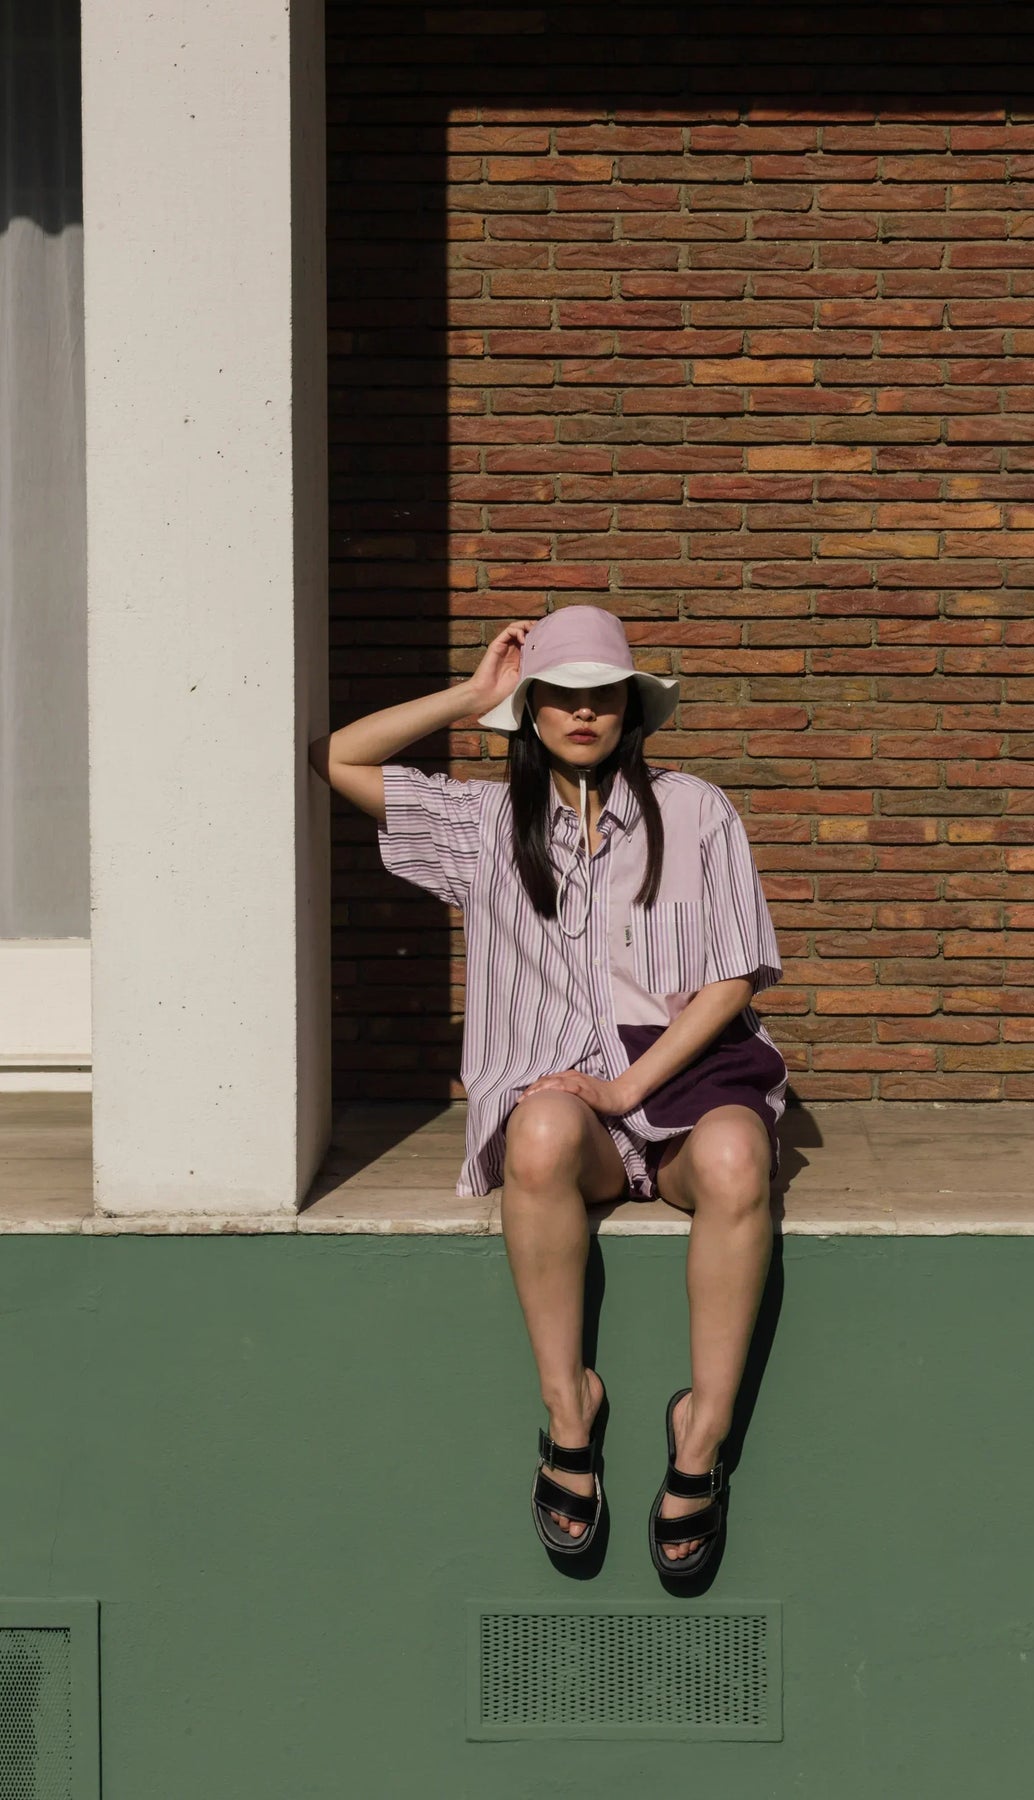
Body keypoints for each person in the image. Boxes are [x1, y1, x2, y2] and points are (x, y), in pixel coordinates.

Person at [310, 605, 788, 1577]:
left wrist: (627, 1086)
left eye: (601, 695)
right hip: (571, 1121)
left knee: (741, 1155)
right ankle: (570, 1414)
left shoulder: (697, 810)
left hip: (682, 1089)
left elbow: (735, 976)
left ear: (630, 709)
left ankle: (701, 1434)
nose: (582, 712)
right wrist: (472, 696)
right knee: (535, 1134)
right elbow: (338, 759)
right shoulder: (484, 826)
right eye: (559, 695)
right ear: (531, 710)